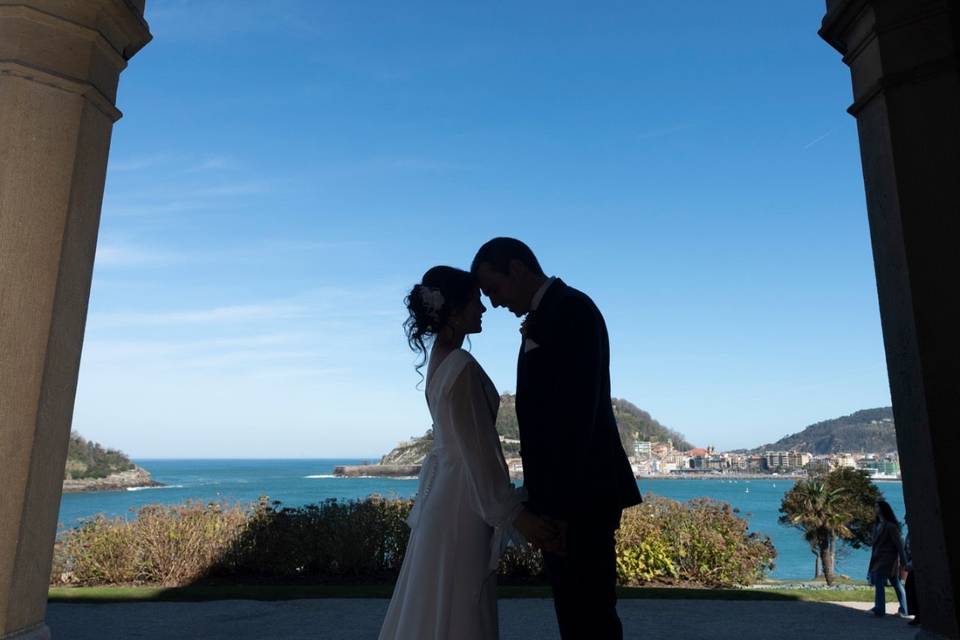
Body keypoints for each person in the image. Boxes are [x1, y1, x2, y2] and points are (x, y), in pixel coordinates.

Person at [472, 238, 642, 640]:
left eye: (493, 288)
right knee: (575, 613)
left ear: (516, 269)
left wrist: (560, 511)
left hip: (581, 500)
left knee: (591, 615)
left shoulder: (572, 310)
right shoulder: (551, 312)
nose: (493, 303)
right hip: (566, 499)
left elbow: (577, 417)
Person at [379, 266, 560, 640]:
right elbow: (479, 450)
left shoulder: (440, 358)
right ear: (455, 309)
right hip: (464, 499)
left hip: (445, 493)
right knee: (462, 599)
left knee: (442, 596)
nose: (484, 307)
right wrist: (514, 513)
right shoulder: (460, 365)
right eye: (476, 299)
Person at [867, 499, 909, 619]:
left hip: (889, 560)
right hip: (877, 558)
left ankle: (880, 609)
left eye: (877, 507)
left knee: (881, 581)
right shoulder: (876, 525)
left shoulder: (891, 526)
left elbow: (899, 545)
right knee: (895, 583)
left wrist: (904, 562)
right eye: (875, 506)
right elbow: (875, 544)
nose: (875, 509)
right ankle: (904, 609)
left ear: (883, 509)